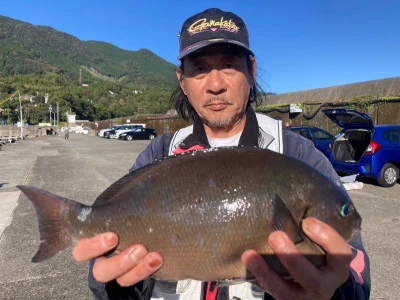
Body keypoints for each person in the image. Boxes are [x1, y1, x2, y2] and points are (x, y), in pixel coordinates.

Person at [72, 8, 370, 300]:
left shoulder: (299, 156)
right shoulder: (160, 153)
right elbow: (108, 268)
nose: (215, 85)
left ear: (251, 71)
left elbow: (357, 279)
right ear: (182, 81)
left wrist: (334, 292)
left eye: (229, 65)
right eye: (200, 69)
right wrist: (116, 285)